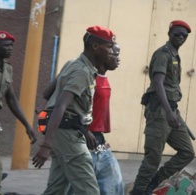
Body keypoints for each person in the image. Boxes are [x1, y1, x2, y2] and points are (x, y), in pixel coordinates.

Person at [32, 25, 117, 195]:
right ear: (94, 46)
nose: (111, 51)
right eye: (108, 47)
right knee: (89, 191)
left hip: (62, 131)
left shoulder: (72, 64)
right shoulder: (82, 72)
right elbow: (60, 105)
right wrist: (46, 145)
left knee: (56, 189)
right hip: (68, 135)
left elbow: (48, 93)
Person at [130, 20, 195, 195]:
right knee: (153, 156)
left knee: (187, 152)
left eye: (184, 35)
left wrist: (173, 111)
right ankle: (139, 190)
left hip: (172, 110)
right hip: (160, 110)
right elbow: (157, 82)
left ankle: (153, 182)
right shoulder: (163, 54)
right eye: (177, 34)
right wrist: (168, 111)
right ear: (169, 34)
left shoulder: (174, 55)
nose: (181, 37)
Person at [0, 30, 37, 195]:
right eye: (5, 45)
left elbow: (11, 99)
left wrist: (27, 125)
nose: (10, 48)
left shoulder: (8, 69)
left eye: (11, 45)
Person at [67, 43, 124, 195]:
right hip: (83, 138)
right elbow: (70, 107)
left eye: (118, 55)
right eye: (114, 55)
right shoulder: (88, 78)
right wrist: (84, 131)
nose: (118, 59)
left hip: (98, 139)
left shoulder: (103, 78)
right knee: (76, 188)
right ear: (103, 56)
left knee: (115, 186)